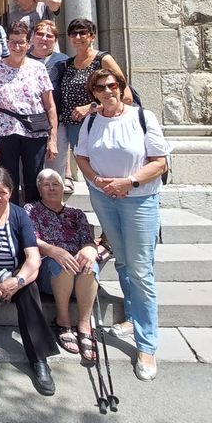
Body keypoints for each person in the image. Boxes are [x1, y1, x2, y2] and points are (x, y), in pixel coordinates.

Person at [75, 68, 169, 382]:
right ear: (94, 93)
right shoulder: (91, 121)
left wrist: (128, 182)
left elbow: (160, 162)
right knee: (124, 261)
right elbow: (82, 156)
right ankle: (132, 316)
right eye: (100, 87)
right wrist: (96, 180)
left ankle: (146, 345)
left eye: (112, 85)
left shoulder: (143, 117)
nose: (107, 91)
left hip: (138, 200)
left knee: (141, 269)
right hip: (105, 199)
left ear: (121, 87)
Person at [0, 167, 59, 395]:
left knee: (30, 288)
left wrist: (18, 280)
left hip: (15, 271)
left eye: (3, 192)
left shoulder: (19, 214)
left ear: (11, 192)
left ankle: (39, 358)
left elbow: (33, 257)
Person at [25, 169, 99, 363]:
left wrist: (90, 249)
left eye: (56, 184)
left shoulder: (77, 214)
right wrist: (53, 250)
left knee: (90, 266)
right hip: (49, 271)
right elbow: (30, 239)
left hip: (77, 270)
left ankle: (84, 326)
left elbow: (88, 240)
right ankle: (63, 321)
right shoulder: (31, 210)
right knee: (62, 264)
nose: (51, 188)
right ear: (39, 189)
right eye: (46, 185)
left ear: (63, 188)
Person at [0, 22, 58, 204]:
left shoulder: (38, 68)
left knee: (33, 179)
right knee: (8, 179)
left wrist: (53, 140)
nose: (17, 47)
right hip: (5, 131)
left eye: (21, 42)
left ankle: (33, 216)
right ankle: (11, 216)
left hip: (35, 132)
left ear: (28, 43)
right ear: (7, 43)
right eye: (13, 42)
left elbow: (50, 106)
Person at [58, 18, 133, 189]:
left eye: (82, 33)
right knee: (89, 175)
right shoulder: (68, 64)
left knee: (104, 170)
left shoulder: (103, 60)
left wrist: (91, 108)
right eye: (73, 33)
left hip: (99, 125)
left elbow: (126, 96)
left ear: (92, 36)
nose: (77, 37)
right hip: (75, 128)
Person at [27, 20, 70, 188]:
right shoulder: (22, 58)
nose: (44, 38)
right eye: (40, 34)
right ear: (32, 37)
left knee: (54, 172)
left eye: (49, 36)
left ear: (55, 40)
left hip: (56, 122)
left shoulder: (63, 61)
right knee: (30, 172)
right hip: (28, 124)